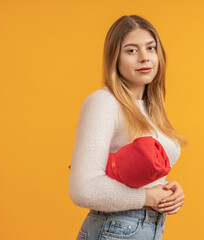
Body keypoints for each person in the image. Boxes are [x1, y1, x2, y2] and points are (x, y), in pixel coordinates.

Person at [69, 14, 186, 240]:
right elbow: (82, 189)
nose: (144, 58)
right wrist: (148, 197)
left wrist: (169, 192)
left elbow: (137, 174)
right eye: (131, 50)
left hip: (147, 228)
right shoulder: (104, 102)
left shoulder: (150, 108)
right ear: (115, 58)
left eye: (150, 48)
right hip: (116, 228)